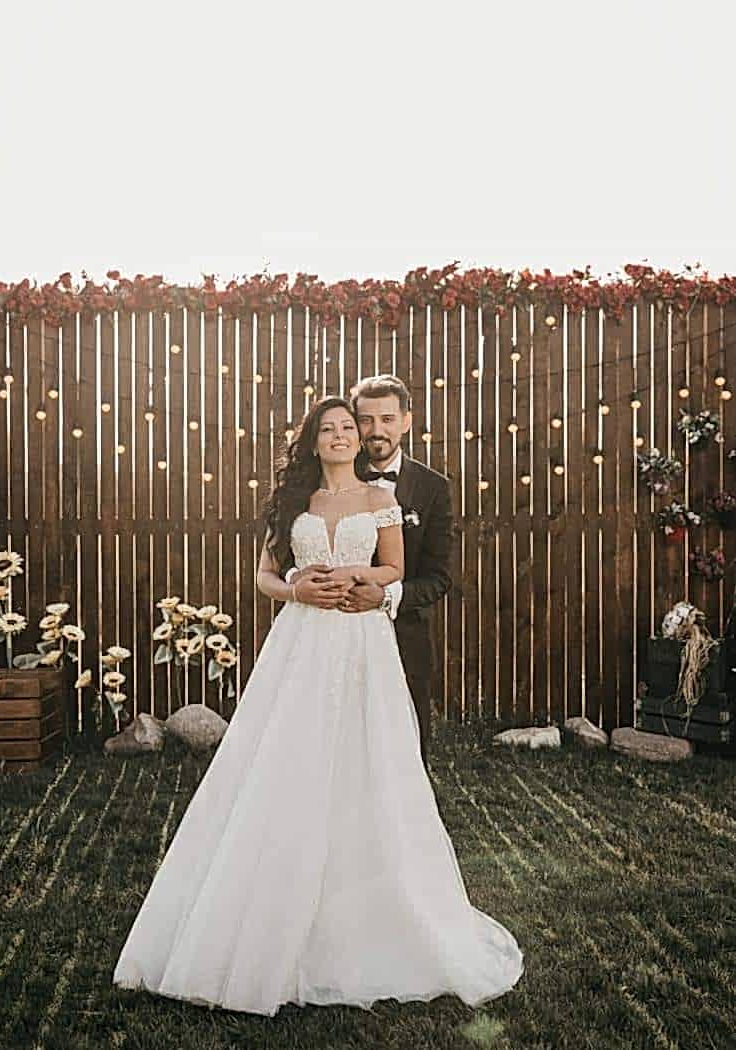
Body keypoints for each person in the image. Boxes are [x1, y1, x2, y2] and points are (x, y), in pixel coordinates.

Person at [112, 396, 523, 1017]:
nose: (340, 435)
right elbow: (264, 576)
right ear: (312, 441)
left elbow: (395, 568)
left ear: (358, 439)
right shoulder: (292, 503)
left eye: (347, 427)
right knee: (287, 763)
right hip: (301, 641)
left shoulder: (381, 499)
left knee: (369, 762)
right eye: (328, 428)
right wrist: (296, 588)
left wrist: (363, 581)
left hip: (362, 642)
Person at [285, 374, 452, 772]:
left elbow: (439, 576)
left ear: (406, 421)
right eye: (366, 419)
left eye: (388, 419)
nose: (377, 430)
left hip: (401, 634)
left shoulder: (432, 488)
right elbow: (292, 549)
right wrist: (298, 580)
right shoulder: (320, 477)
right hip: (321, 630)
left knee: (398, 752)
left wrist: (384, 595)